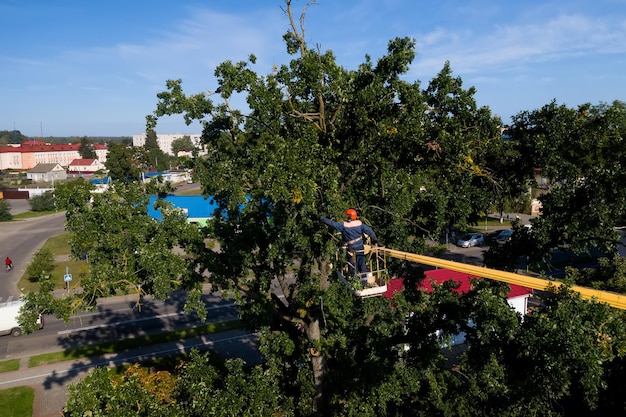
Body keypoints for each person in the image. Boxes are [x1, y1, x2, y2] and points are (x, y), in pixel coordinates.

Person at [314, 208, 379, 278]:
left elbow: (331, 224)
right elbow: (370, 231)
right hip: (360, 247)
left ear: (349, 217)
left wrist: (320, 218)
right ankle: (364, 281)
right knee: (362, 263)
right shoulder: (360, 224)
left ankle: (354, 279)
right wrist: (375, 240)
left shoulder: (343, 226)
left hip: (352, 248)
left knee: (352, 264)